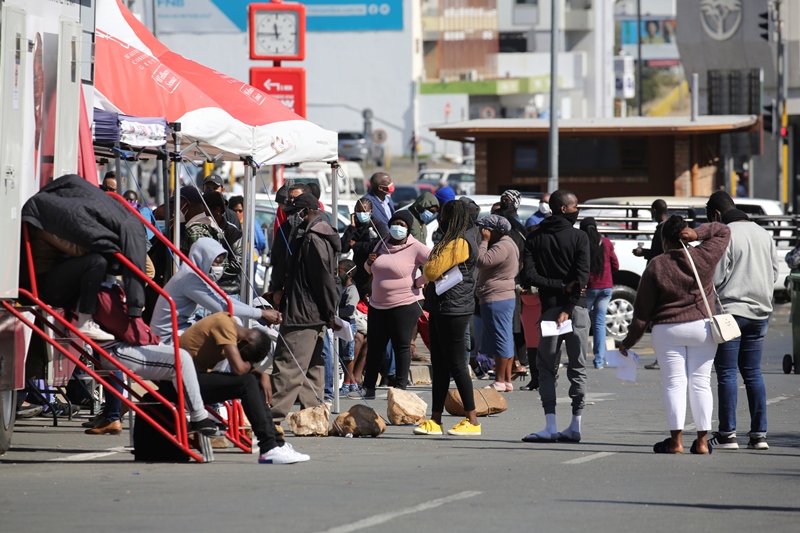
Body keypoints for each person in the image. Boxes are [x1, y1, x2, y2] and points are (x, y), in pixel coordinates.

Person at [620, 216, 731, 454]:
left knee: (674, 384)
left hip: (667, 329)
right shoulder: (704, 256)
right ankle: (702, 443)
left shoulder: (656, 265)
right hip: (702, 327)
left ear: (663, 239)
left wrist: (628, 342)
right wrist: (699, 234)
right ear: (685, 233)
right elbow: (723, 230)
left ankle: (676, 442)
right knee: (701, 383)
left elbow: (642, 313)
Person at [86, 284, 218, 436]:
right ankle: (199, 416)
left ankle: (195, 415)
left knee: (180, 359)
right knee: (180, 359)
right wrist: (153, 339)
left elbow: (132, 327)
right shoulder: (105, 294)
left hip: (131, 342)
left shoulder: (112, 289)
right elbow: (127, 329)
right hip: (117, 348)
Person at [179, 312, 310, 464]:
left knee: (253, 379)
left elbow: (242, 369)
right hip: (179, 384)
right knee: (248, 382)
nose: (241, 358)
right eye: (245, 357)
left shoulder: (231, 324)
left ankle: (276, 443)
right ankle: (268, 447)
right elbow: (238, 369)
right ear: (245, 342)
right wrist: (255, 372)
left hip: (194, 380)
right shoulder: (224, 325)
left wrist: (260, 375)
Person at [706, 191, 778, 451]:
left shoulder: (726, 235)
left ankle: (727, 434)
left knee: (726, 373)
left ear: (716, 215)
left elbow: (715, 279)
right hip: (760, 312)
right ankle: (759, 435)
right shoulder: (763, 234)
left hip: (731, 312)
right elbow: (773, 273)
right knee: (753, 372)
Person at [265, 193, 341, 427]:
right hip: (313, 311)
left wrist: (330, 312)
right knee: (311, 370)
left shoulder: (312, 239)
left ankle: (270, 420)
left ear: (305, 212)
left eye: (293, 213)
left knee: (287, 368)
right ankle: (313, 419)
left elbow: (323, 280)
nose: (289, 219)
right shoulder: (317, 233)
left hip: (303, 312)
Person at [521, 189, 589, 443]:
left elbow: (529, 276)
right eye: (575, 207)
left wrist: (556, 289)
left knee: (546, 368)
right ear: (564, 209)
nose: (577, 211)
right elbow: (582, 278)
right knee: (578, 367)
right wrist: (568, 306)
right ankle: (575, 425)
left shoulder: (534, 237)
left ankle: (550, 426)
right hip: (577, 310)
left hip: (549, 310)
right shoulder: (580, 237)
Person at [416, 199, 481, 436]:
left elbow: (431, 271)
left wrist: (432, 262)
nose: (439, 218)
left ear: (452, 217)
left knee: (456, 364)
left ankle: (472, 420)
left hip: (454, 307)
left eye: (443, 214)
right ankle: (435, 419)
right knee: (440, 364)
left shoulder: (460, 241)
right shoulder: (458, 237)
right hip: (443, 305)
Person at [353, 210, 429, 398]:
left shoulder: (416, 247)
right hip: (378, 304)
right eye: (394, 223)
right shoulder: (382, 242)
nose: (397, 227)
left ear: (408, 228)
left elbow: (437, 265)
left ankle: (401, 387)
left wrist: (419, 282)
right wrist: (369, 263)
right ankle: (369, 386)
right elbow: (371, 268)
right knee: (376, 346)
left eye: (402, 225)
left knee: (401, 345)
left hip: (405, 303)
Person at [149, 238, 280, 342]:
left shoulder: (196, 276)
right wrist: (262, 314)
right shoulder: (189, 278)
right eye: (216, 262)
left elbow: (225, 299)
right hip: (167, 337)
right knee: (225, 325)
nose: (219, 267)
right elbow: (222, 306)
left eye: (222, 263)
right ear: (203, 259)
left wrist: (260, 312)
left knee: (233, 323)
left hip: (182, 329)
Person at [475, 215, 519, 391]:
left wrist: (484, 242)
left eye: (484, 229)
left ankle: (500, 380)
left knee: (501, 338)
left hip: (497, 297)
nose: (481, 232)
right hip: (502, 296)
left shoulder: (502, 245)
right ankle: (506, 380)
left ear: (492, 231)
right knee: (505, 337)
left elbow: (481, 261)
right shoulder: (510, 243)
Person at [633, 199, 669, 370]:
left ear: (654, 210)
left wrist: (643, 252)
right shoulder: (670, 226)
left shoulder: (662, 228)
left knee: (657, 318)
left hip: (659, 277)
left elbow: (658, 253)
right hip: (669, 277)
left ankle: (661, 358)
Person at [580, 217, 619, 369]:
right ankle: (598, 361)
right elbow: (616, 264)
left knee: (583, 324)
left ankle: (580, 358)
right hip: (606, 287)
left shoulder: (582, 243)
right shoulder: (606, 243)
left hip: (589, 287)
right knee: (599, 323)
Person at [340, 197, 389, 292]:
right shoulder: (354, 227)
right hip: (358, 270)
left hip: (373, 269)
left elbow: (381, 244)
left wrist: (357, 245)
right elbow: (343, 247)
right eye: (359, 211)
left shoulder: (378, 225)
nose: (362, 214)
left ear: (370, 211)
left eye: (364, 211)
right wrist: (352, 227)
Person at [337, 259, 360, 394]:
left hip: (347, 326)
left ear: (349, 274)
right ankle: (351, 382)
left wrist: (335, 312)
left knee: (348, 355)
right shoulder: (339, 288)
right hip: (339, 325)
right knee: (341, 354)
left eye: (339, 272)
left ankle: (348, 382)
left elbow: (349, 310)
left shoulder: (352, 290)